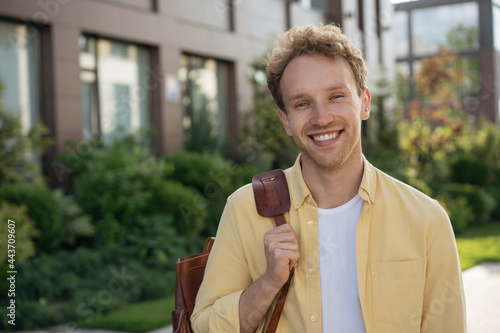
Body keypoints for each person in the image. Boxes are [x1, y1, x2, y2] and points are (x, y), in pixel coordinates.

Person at [191, 23, 466, 333]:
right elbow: (202, 327)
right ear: (286, 120)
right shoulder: (245, 210)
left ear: (364, 102)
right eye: (302, 103)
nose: (321, 118)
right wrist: (268, 284)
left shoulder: (426, 220)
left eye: (336, 96)